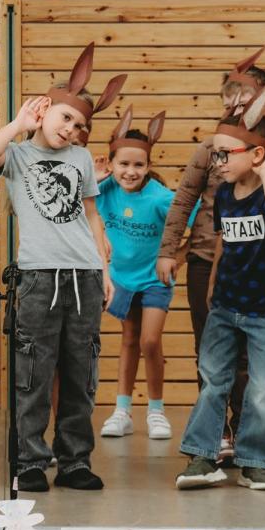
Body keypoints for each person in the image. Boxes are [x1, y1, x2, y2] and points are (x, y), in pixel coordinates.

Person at [0, 43, 118, 492]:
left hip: (84, 277)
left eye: (79, 126)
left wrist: (104, 272)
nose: (71, 130)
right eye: (65, 118)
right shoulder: (19, 156)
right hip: (39, 278)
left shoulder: (81, 160)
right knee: (34, 373)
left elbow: (92, 216)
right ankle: (30, 461)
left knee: (81, 374)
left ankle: (74, 461)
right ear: (44, 109)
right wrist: (20, 123)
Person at [157, 46, 265, 464]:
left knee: (249, 362)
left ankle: (242, 431)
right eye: (230, 96)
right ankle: (215, 432)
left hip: (253, 268)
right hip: (208, 261)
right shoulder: (211, 149)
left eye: (247, 97)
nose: (236, 103)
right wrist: (169, 250)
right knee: (210, 353)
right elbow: (184, 198)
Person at [95, 107, 176, 440]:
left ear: (148, 166)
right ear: (112, 163)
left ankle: (156, 411)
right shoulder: (104, 190)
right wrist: (95, 177)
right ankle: (122, 411)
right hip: (122, 279)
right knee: (129, 340)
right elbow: (78, 204)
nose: (130, 172)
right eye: (123, 164)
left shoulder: (161, 197)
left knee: (150, 340)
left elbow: (199, 221)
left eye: (138, 165)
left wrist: (175, 256)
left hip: (154, 279)